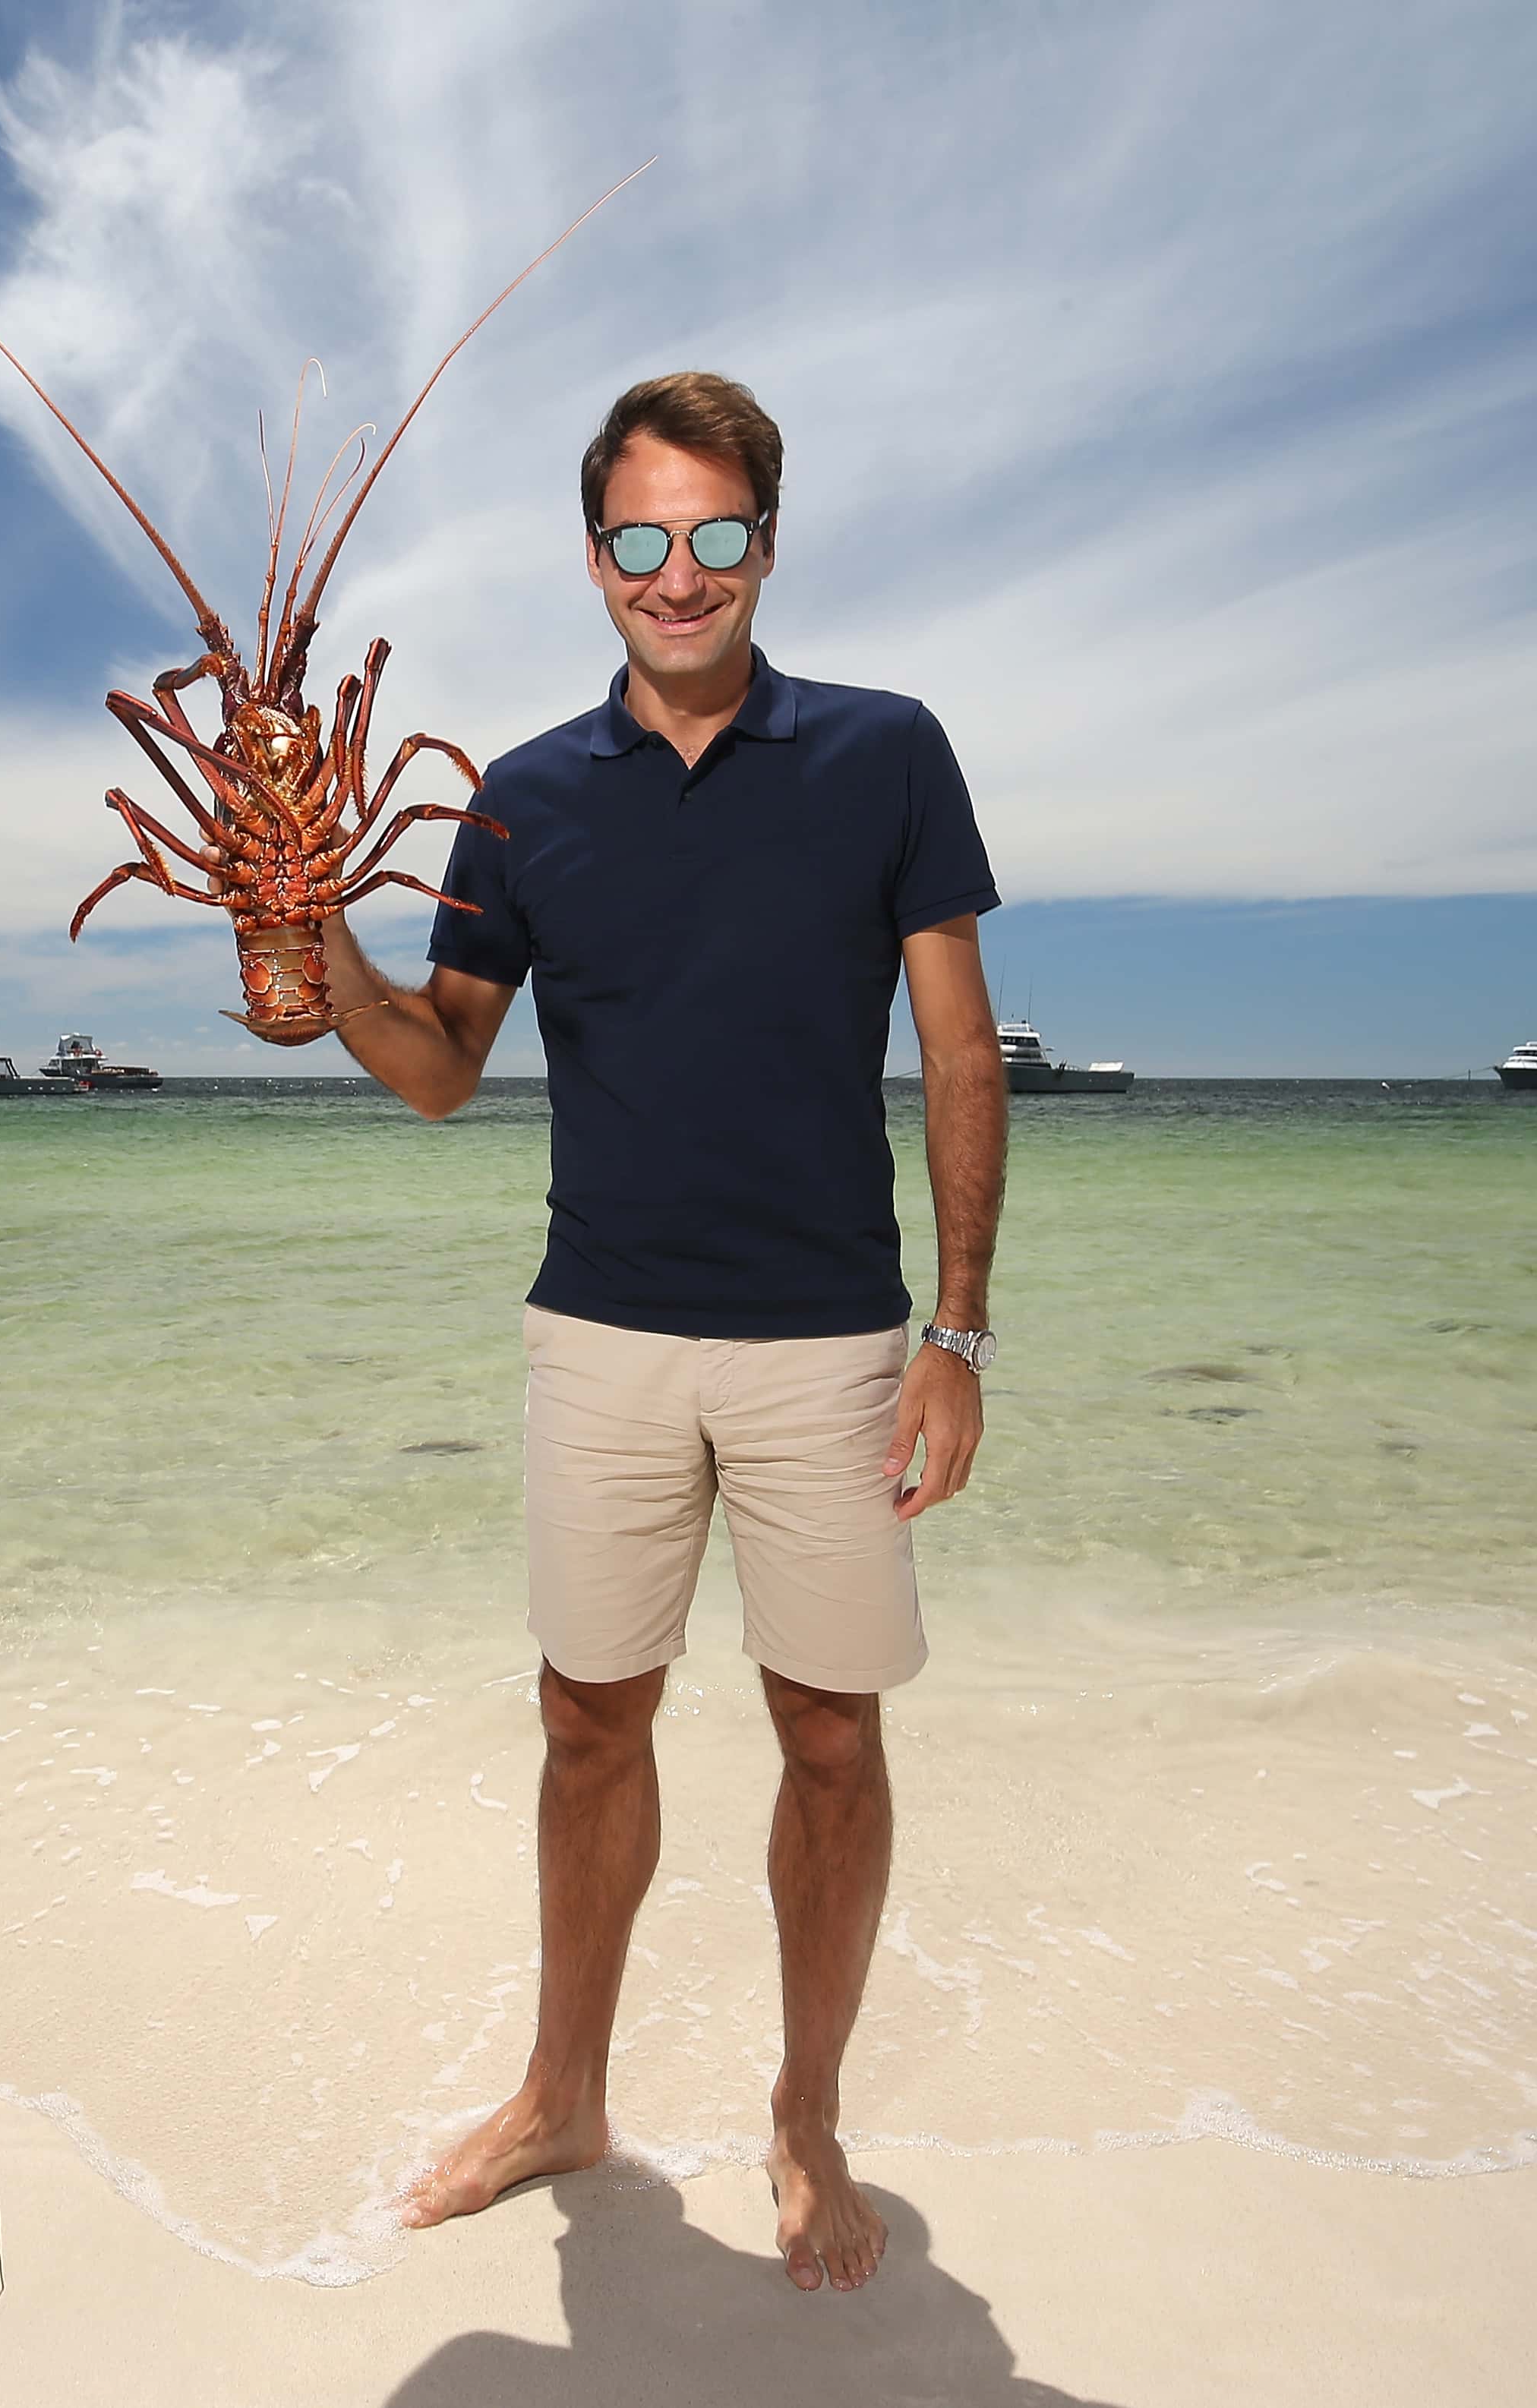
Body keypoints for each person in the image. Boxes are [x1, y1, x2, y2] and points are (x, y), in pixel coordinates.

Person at [253, 371, 1007, 2294]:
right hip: (595, 1328)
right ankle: (560, 2094)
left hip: (830, 1335)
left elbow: (951, 1049)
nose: (680, 577)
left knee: (827, 1733)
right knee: (588, 1719)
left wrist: (961, 1330)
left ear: (768, 539)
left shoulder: (886, 752)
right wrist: (314, 939)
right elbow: (437, 1071)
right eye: (642, 540)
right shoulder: (515, 796)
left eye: (718, 535)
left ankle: (807, 2112)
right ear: (594, 558)